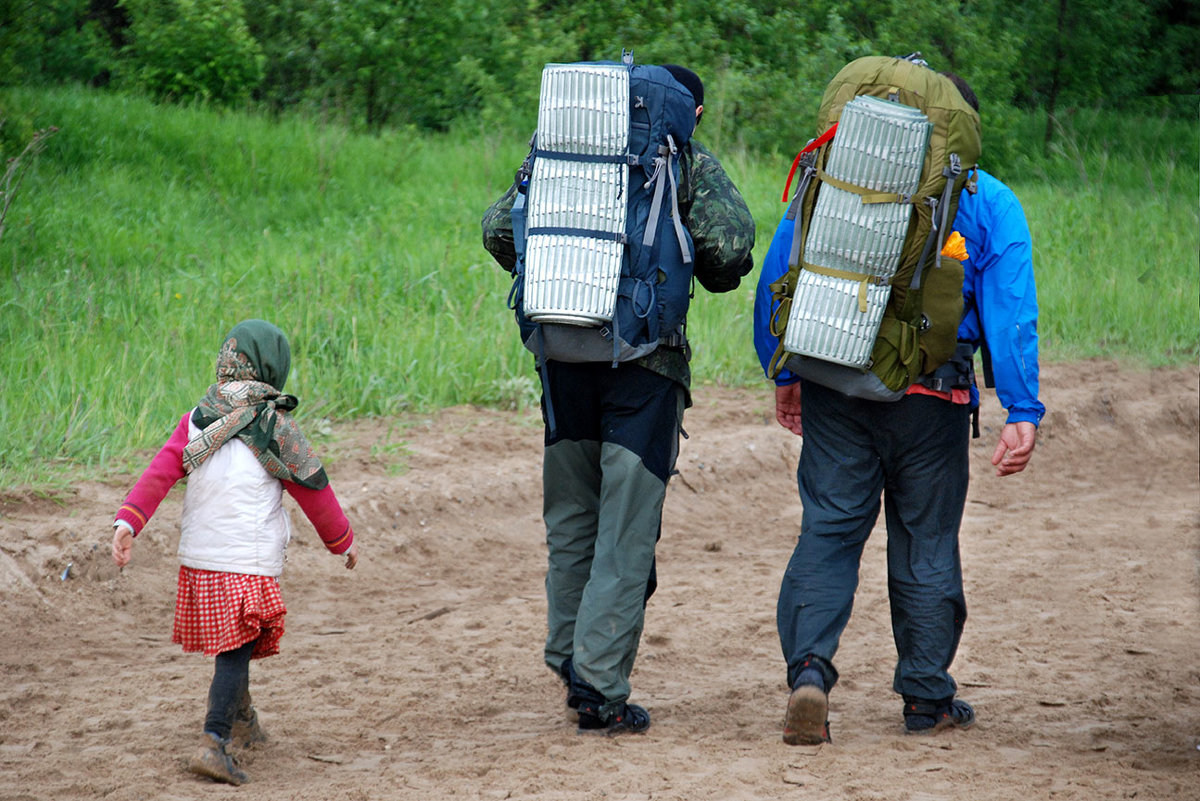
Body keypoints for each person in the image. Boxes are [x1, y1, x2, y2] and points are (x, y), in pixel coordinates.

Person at [753, 73, 1044, 744]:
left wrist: (785, 368)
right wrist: (1021, 406)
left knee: (828, 530)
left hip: (834, 382)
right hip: (932, 397)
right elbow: (1011, 309)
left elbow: (781, 271)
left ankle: (809, 673)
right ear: (961, 128)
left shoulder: (836, 177)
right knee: (926, 539)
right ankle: (925, 695)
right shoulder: (988, 198)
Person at [482, 64, 755, 734]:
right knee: (625, 529)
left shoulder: (559, 151)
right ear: (687, 112)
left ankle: (567, 654)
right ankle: (599, 687)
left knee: (572, 518)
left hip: (562, 357)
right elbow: (730, 244)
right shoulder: (682, 158)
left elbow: (498, 230)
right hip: (645, 367)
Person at [110, 319, 359, 784]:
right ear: (272, 367)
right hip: (246, 561)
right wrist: (341, 541)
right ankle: (214, 740)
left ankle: (243, 720)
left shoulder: (198, 418)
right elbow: (313, 490)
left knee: (234, 642)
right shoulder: (275, 426)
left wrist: (128, 522)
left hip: (200, 559)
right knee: (237, 648)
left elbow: (160, 472)